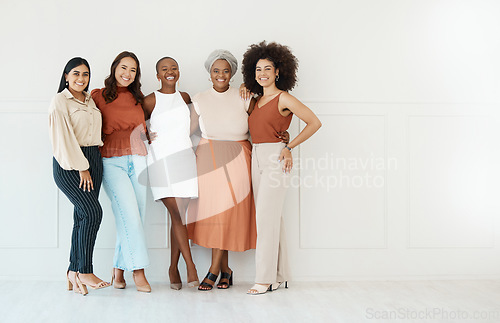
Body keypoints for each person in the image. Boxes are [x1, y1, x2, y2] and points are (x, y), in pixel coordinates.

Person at [242, 41, 322, 295]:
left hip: (276, 157)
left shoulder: (284, 98)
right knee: (271, 217)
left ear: (278, 71)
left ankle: (263, 279)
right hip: (256, 156)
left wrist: (289, 147)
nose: (262, 73)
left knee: (265, 219)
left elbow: (314, 122)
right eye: (258, 69)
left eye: (267, 68)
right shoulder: (254, 100)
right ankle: (280, 275)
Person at [186, 50, 257, 291]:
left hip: (238, 155)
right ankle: (226, 270)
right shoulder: (200, 98)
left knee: (226, 212)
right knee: (215, 213)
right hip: (208, 157)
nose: (221, 75)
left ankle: (214, 270)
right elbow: (189, 130)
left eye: (226, 71)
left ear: (232, 73)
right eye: (216, 70)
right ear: (209, 73)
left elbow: (261, 123)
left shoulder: (244, 95)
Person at [49, 57, 111, 296]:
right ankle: (84, 270)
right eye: (75, 74)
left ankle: (73, 271)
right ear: (66, 76)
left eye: (85, 74)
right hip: (71, 163)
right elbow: (62, 138)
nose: (80, 79)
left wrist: (91, 163)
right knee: (93, 212)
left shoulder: (89, 101)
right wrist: (81, 166)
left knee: (83, 216)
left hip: (93, 159)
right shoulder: (59, 101)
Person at [91, 51, 151, 293]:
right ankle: (138, 270)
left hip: (138, 159)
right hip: (111, 161)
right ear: (114, 67)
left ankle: (117, 271)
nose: (127, 74)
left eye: (133, 70)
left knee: (135, 217)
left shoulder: (139, 98)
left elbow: (142, 128)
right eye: (124, 68)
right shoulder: (98, 95)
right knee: (130, 215)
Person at [142, 57, 199, 289]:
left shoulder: (185, 98)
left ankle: (172, 268)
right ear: (157, 75)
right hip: (161, 162)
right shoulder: (149, 100)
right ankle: (190, 266)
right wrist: (143, 134)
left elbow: (194, 124)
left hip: (184, 159)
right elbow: (135, 126)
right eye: (164, 69)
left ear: (179, 72)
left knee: (179, 218)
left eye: (174, 68)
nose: (170, 72)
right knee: (176, 213)